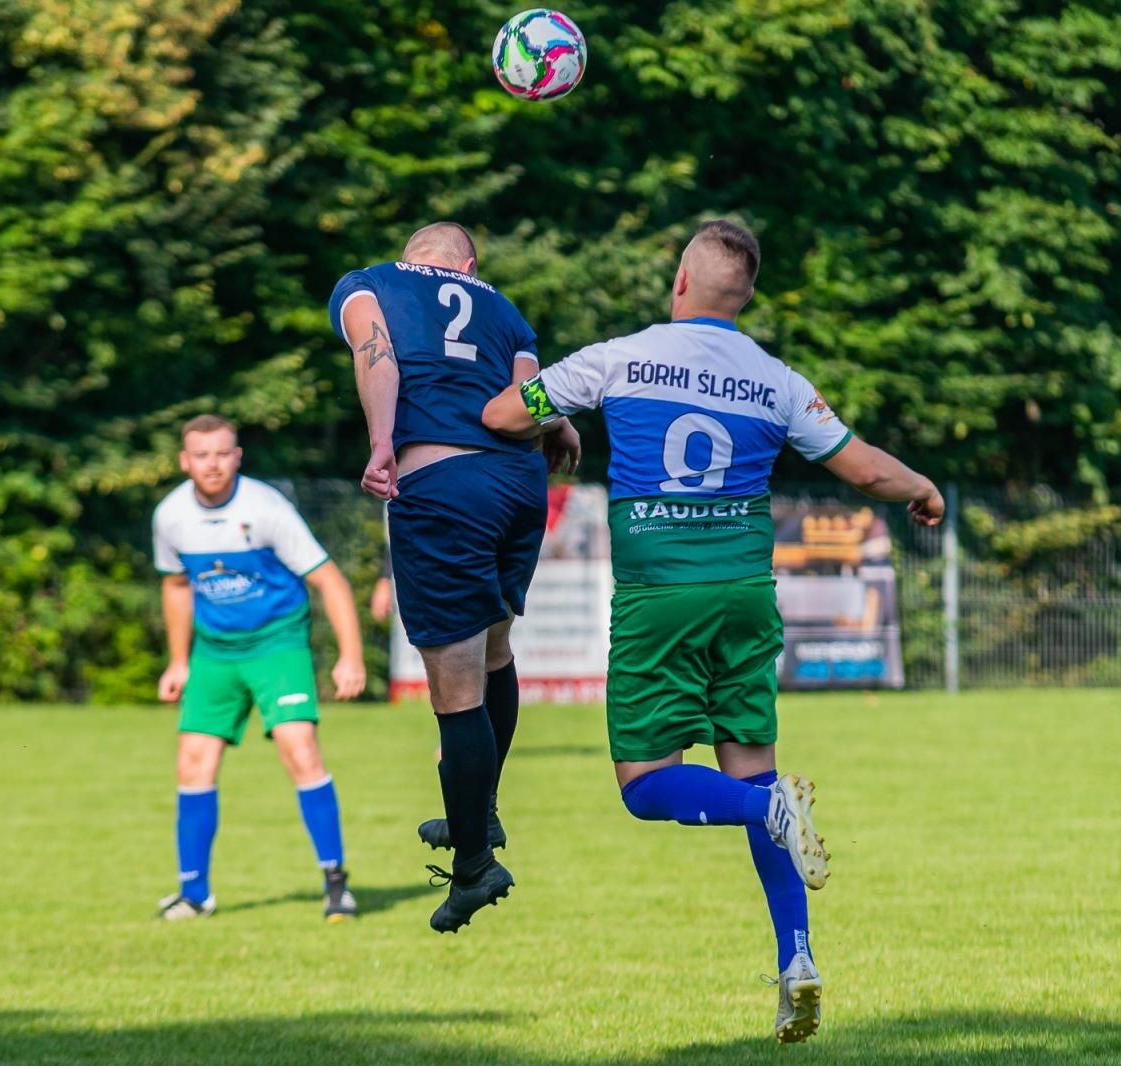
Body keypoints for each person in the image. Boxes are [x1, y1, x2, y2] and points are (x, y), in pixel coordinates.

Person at [482, 220, 944, 1042]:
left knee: (645, 784)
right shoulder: (775, 379)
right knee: (759, 774)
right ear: (747, 300)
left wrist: (557, 422)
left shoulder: (620, 357)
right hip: (743, 597)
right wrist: (921, 487)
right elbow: (865, 467)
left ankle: (760, 812)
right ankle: (796, 957)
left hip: (659, 598)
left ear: (679, 284)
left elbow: (504, 413)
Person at [328, 222, 579, 932]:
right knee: (496, 651)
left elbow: (380, 358)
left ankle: (473, 865)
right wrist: (560, 427)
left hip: (443, 484)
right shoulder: (502, 306)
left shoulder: (369, 282)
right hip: (519, 487)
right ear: (467, 265)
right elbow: (530, 395)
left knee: (454, 687)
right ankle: (481, 814)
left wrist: (382, 442)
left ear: (412, 257)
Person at [152, 414, 367, 922]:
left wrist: (350, 657)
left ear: (238, 456)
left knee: (300, 747)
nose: (212, 464)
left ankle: (336, 883)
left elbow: (330, 581)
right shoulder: (170, 516)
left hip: (277, 645)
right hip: (214, 652)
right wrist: (178, 661)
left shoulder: (266, 508)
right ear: (185, 461)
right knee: (193, 764)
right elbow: (177, 586)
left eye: (222, 453)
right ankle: (194, 893)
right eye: (201, 455)